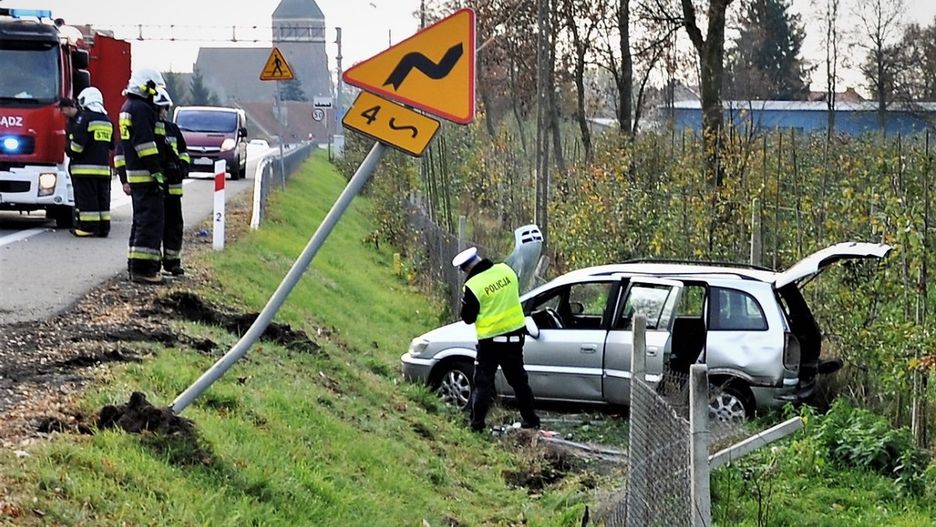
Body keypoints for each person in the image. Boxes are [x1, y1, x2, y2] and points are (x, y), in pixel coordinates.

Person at [453, 246, 540, 433]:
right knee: (519, 381)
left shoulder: (473, 286)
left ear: (466, 269)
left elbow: (468, 317)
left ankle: (477, 425)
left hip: (490, 342)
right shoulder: (505, 270)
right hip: (516, 337)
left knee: (483, 383)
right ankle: (531, 420)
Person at [118, 67, 167, 284]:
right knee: (150, 222)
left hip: (136, 175)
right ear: (146, 85)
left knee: (141, 221)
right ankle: (144, 270)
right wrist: (157, 172)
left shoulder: (129, 106)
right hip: (146, 176)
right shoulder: (141, 109)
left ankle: (135, 264)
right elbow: (145, 145)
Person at [61, 88, 114, 237]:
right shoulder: (107, 120)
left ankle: (87, 227)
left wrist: (70, 150)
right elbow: (111, 145)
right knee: (102, 200)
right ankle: (103, 228)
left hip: (84, 170)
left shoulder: (84, 119)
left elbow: (77, 147)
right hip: (103, 170)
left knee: (87, 200)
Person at [153, 87, 189, 276]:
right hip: (155, 189)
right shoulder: (147, 129)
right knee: (155, 226)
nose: (164, 112)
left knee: (174, 227)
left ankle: (172, 262)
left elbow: (183, 152)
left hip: (173, 190)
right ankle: (154, 261)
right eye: (161, 108)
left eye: (165, 108)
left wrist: (182, 166)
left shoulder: (173, 130)